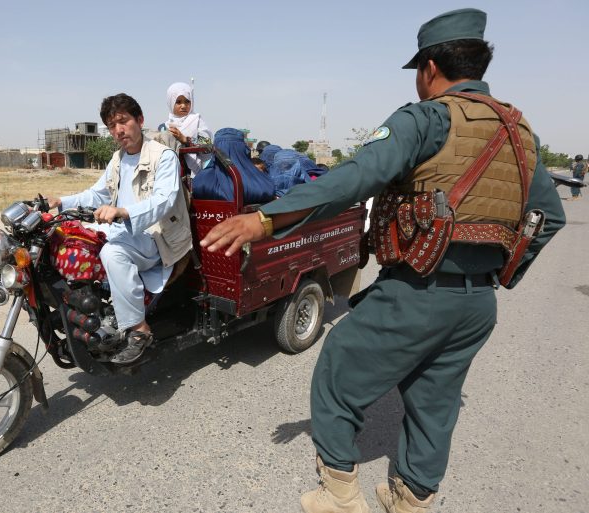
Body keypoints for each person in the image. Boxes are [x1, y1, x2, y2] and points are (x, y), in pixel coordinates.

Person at [200, 8, 565, 513]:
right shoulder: (519, 131)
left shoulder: (427, 117)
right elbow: (549, 216)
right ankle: (410, 500)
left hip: (417, 291)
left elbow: (352, 180)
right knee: (434, 403)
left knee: (337, 365)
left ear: (430, 69)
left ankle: (338, 498)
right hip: (477, 304)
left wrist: (264, 220)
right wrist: (499, 274)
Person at [50, 93, 192, 364]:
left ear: (139, 120)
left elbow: (163, 201)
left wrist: (124, 212)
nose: (118, 130)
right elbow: (97, 195)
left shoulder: (163, 157)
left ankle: (139, 330)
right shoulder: (117, 160)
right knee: (73, 241)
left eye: (123, 121)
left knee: (112, 253)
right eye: (112, 125)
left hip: (157, 237)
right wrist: (61, 201)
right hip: (126, 233)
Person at [165, 81, 213, 175]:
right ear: (170, 102)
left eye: (187, 101)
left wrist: (186, 140)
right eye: (178, 102)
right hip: (171, 172)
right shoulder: (165, 126)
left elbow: (208, 144)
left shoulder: (197, 120)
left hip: (192, 174)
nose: (183, 106)